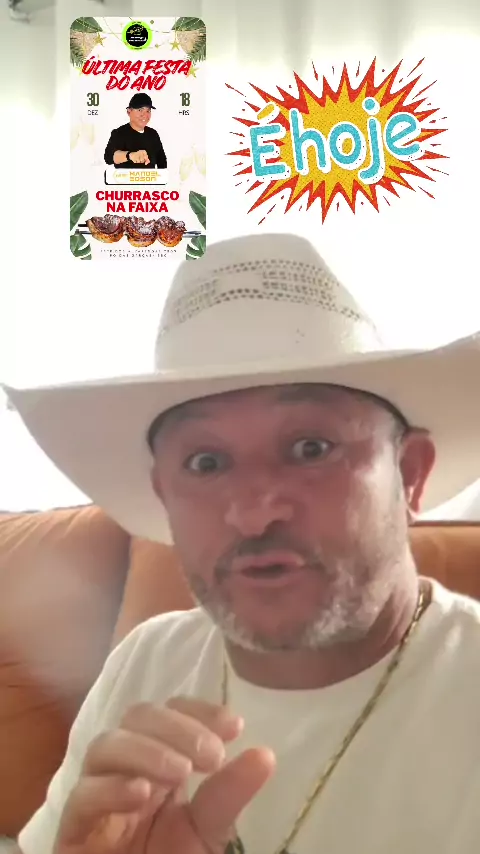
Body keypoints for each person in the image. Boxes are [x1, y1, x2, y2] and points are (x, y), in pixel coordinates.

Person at [5, 233, 480, 854]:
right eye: (205, 462)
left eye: (310, 448)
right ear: (164, 495)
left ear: (410, 474)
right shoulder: (148, 659)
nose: (254, 515)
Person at [104, 93, 167, 169]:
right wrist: (130, 155)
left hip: (150, 177)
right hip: (125, 177)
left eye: (148, 111)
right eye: (140, 110)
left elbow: (162, 163)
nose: (145, 115)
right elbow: (109, 158)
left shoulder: (153, 134)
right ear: (129, 112)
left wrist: (163, 176)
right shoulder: (119, 133)